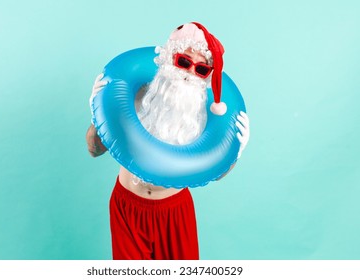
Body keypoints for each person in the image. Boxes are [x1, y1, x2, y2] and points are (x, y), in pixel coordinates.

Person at [86, 22, 250, 260]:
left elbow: (213, 171)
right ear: (169, 57)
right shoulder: (134, 96)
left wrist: (235, 152)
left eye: (201, 69)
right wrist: (98, 113)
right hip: (128, 207)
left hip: (174, 212)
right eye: (183, 61)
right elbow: (94, 150)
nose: (188, 73)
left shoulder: (205, 115)